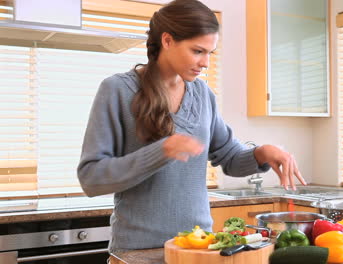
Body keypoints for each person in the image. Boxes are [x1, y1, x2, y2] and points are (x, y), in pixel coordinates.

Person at [77, 0, 306, 252]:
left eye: (210, 53)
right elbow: (91, 178)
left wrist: (262, 152)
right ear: (167, 41)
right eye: (197, 51)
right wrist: (161, 151)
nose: (205, 62)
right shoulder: (117, 90)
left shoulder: (203, 94)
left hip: (198, 247)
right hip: (138, 250)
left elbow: (228, 156)